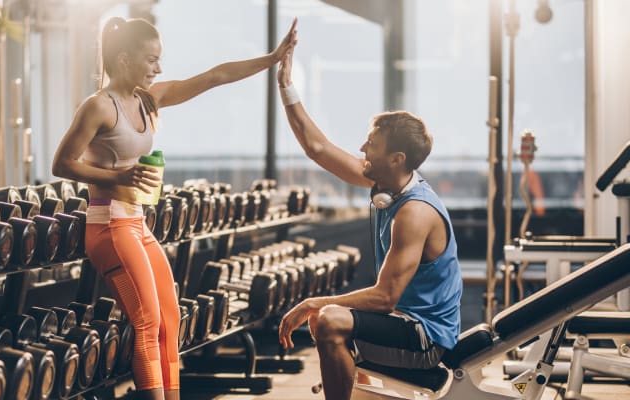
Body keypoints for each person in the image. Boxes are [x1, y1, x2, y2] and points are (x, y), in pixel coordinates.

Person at [51, 17, 297, 400]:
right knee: (147, 322)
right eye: (151, 60)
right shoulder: (98, 106)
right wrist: (120, 177)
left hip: (136, 224)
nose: (159, 69)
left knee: (171, 317)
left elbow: (215, 76)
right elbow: (62, 164)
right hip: (108, 226)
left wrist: (273, 57)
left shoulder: (147, 100)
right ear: (124, 58)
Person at [275, 42, 463, 400]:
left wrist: (311, 302)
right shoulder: (385, 186)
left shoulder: (413, 212)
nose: (362, 148)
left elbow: (384, 298)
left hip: (425, 337)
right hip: (403, 324)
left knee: (328, 318)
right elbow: (318, 148)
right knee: (326, 318)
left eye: (371, 144)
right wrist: (286, 86)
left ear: (396, 159)